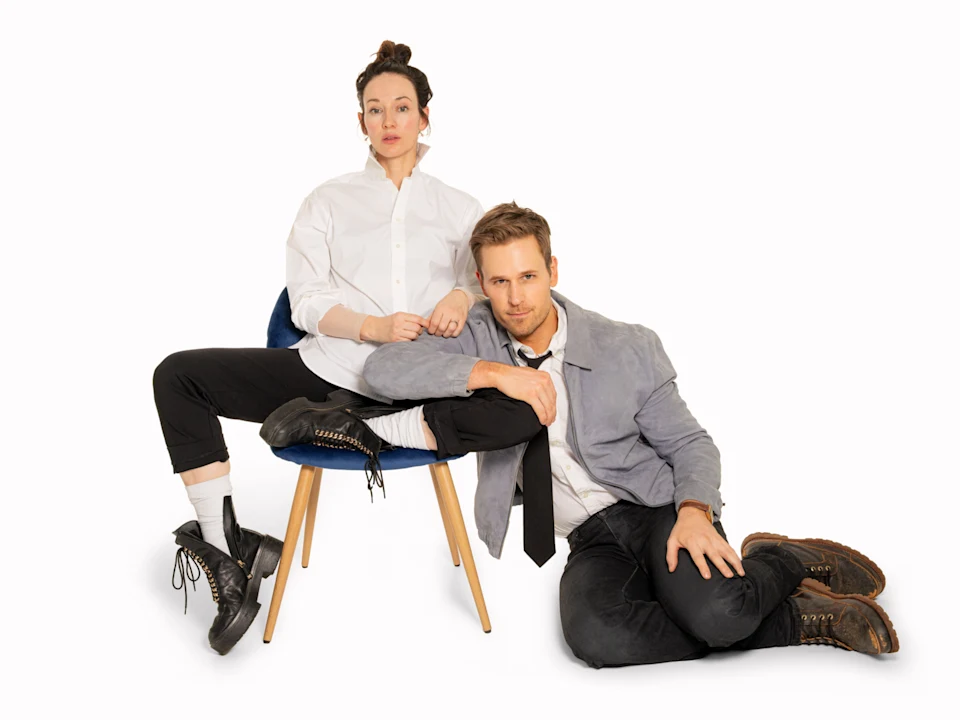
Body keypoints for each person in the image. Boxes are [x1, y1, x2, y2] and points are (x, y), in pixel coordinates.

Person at [262, 202, 899, 666]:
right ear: (480, 283)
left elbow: (691, 445)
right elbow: (384, 368)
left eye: (529, 276)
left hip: (654, 512)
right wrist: (486, 373)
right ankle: (768, 613)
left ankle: (781, 567)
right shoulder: (476, 332)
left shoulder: (624, 345)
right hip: (589, 538)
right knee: (597, 641)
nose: (515, 298)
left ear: (553, 269)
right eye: (500, 281)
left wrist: (696, 511)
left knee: (720, 613)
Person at [153, 40, 486, 655]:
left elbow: (492, 281)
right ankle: (228, 549)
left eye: (402, 108)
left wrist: (462, 298)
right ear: (360, 120)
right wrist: (372, 327)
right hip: (321, 370)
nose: (389, 122)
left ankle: (329, 443)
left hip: (409, 388)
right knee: (178, 376)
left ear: (425, 115)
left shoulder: (462, 210)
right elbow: (304, 302)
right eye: (375, 109)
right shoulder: (327, 201)